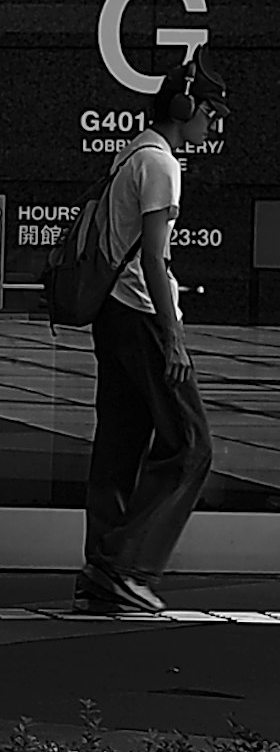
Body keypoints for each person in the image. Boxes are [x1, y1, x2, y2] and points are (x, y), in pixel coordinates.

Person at [77, 49, 228, 615]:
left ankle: (99, 569)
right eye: (209, 114)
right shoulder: (161, 164)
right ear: (184, 107)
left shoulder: (131, 154)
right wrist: (174, 339)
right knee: (192, 445)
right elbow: (154, 261)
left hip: (113, 317)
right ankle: (125, 565)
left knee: (118, 443)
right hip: (141, 317)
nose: (210, 126)